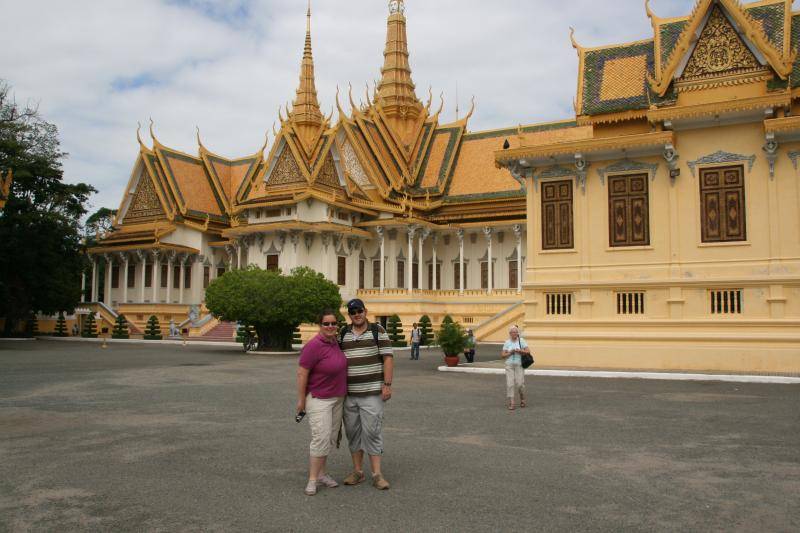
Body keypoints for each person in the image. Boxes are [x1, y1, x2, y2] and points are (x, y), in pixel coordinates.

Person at [340, 298, 394, 490]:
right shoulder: (343, 333)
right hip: (349, 394)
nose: (357, 315)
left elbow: (388, 358)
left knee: (372, 431)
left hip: (372, 392)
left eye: (359, 311)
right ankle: (358, 471)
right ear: (349, 315)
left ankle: (377, 474)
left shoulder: (377, 331)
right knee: (352, 433)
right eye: (353, 312)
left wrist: (387, 384)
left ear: (365, 311)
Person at [296, 309, 349, 496]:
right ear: (320, 325)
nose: (330, 326)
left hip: (337, 398)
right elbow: (302, 373)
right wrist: (301, 400)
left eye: (333, 323)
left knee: (330, 437)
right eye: (326, 323)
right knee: (320, 437)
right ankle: (312, 479)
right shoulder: (313, 345)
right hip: (319, 398)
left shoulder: (335, 343)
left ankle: (322, 474)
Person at [501, 325, 530, 410]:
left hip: (519, 364)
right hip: (509, 365)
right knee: (510, 384)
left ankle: (522, 398)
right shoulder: (507, 342)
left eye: (515, 332)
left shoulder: (522, 341)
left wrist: (520, 351)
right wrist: (510, 352)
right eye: (512, 332)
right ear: (510, 333)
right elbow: (502, 355)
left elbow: (528, 351)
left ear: (518, 333)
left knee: (520, 384)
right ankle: (512, 402)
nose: (514, 333)